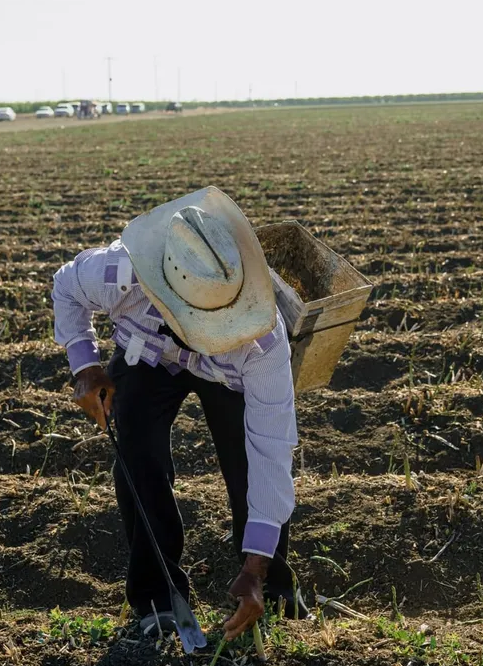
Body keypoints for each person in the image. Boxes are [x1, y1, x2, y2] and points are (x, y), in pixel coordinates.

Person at [52, 186, 307, 641]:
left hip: (226, 372)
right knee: (138, 458)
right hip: (146, 355)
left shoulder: (262, 343)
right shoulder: (120, 273)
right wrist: (85, 365)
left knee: (250, 467)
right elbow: (65, 286)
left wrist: (254, 568)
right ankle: (158, 597)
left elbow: (272, 452)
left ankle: (269, 586)